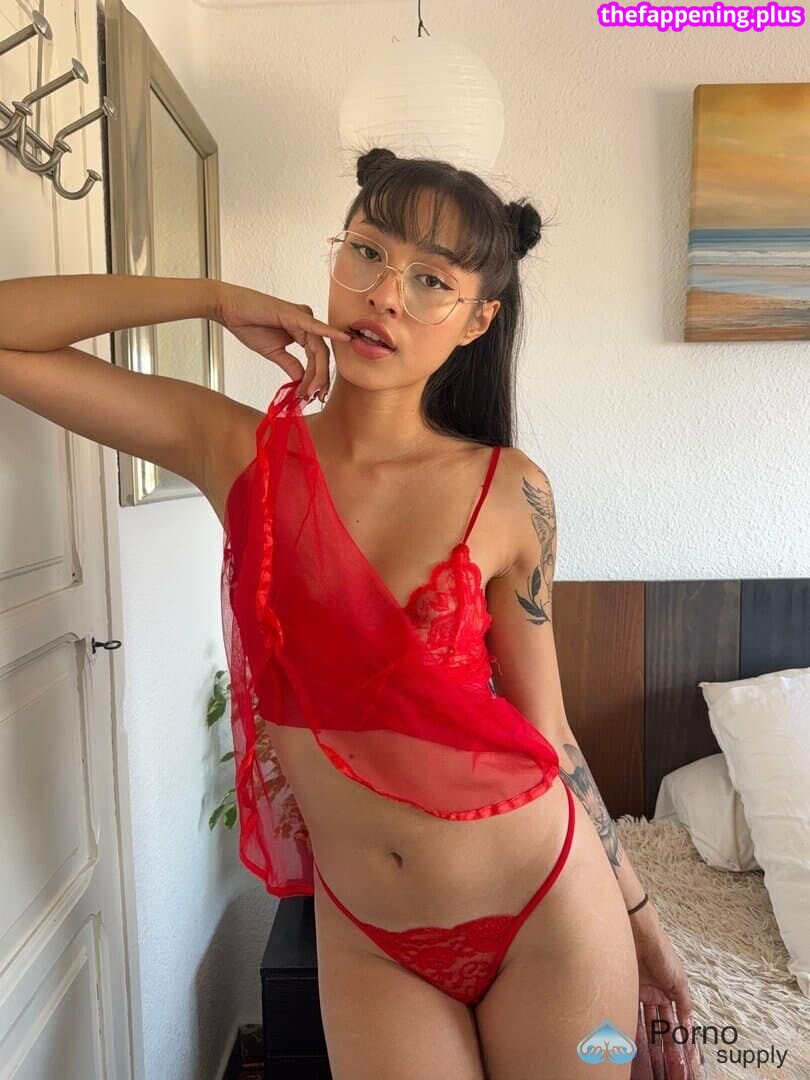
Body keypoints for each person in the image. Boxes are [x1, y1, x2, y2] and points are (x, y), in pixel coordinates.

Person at [0, 147, 702, 1080]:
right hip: (372, 940)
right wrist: (212, 297)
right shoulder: (237, 451)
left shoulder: (510, 490)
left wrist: (643, 923)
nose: (384, 295)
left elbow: (549, 730)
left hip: (546, 909)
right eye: (366, 251)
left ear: (478, 320)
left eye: (430, 279)